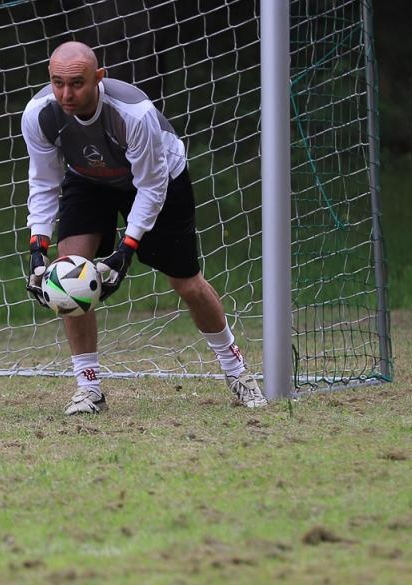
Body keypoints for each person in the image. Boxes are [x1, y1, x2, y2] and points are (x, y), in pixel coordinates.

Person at [22, 41, 267, 415]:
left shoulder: (133, 114)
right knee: (69, 269)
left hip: (157, 179)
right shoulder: (39, 114)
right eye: (58, 83)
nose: (66, 94)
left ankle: (238, 372)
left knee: (186, 283)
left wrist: (126, 251)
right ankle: (89, 388)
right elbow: (43, 182)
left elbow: (151, 187)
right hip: (89, 179)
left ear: (99, 78)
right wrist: (38, 247)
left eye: (77, 83)